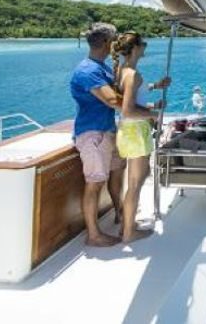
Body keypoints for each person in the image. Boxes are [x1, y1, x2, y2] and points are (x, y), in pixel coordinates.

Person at [111, 31, 170, 243]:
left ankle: (128, 224)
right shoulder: (133, 74)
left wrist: (155, 87)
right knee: (136, 183)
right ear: (136, 48)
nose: (145, 46)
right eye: (143, 43)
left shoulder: (123, 71)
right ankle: (128, 232)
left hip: (128, 131)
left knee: (137, 179)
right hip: (135, 131)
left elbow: (133, 96)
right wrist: (155, 114)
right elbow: (128, 110)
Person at [70, 23, 125, 247]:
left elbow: (118, 90)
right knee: (94, 184)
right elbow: (112, 100)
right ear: (106, 43)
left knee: (117, 172)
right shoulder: (87, 71)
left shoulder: (102, 67)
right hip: (94, 134)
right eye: (115, 40)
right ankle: (94, 236)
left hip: (107, 131)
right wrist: (142, 110)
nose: (118, 44)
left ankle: (120, 212)